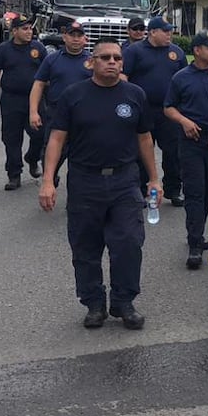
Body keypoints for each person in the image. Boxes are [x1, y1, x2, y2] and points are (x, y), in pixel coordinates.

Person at [38, 38, 158, 330]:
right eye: (105, 57)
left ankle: (124, 301)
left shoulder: (134, 95)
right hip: (85, 181)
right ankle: (93, 303)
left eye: (117, 58)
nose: (112, 62)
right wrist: (47, 180)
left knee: (129, 242)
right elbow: (57, 138)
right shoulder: (73, 95)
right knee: (86, 246)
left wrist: (154, 178)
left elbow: (144, 138)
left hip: (124, 180)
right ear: (91, 62)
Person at [164, 31, 208, 269]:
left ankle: (198, 231)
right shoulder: (181, 77)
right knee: (194, 193)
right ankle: (194, 243)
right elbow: (168, 107)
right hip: (191, 141)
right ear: (197, 50)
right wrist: (184, 121)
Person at [122, 16, 187, 205]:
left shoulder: (177, 52)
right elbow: (123, 76)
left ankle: (174, 190)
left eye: (170, 31)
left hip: (169, 110)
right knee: (141, 152)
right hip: (143, 110)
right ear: (152, 32)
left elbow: (185, 78)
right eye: (165, 31)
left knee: (173, 152)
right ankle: (141, 190)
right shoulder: (135, 51)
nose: (169, 35)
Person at [29, 20, 93, 188]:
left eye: (80, 36)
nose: (76, 39)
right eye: (72, 35)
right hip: (56, 114)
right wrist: (33, 112)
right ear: (64, 37)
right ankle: (51, 177)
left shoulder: (92, 61)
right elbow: (39, 84)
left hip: (83, 115)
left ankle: (76, 195)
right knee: (51, 152)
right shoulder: (52, 59)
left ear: (85, 39)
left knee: (79, 157)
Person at [0, 17, 47, 190]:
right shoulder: (4, 49)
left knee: (40, 134)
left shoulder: (38, 48)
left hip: (34, 100)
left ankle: (32, 158)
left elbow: (48, 73)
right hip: (11, 100)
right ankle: (14, 174)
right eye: (25, 29)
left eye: (30, 29)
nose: (29, 32)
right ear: (14, 31)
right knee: (11, 139)